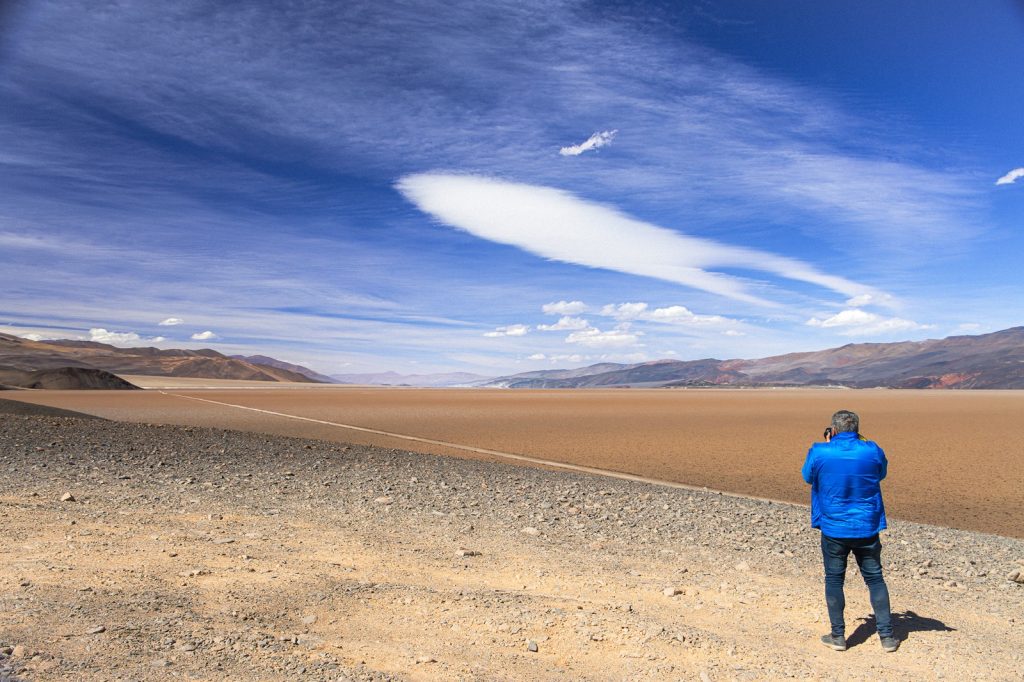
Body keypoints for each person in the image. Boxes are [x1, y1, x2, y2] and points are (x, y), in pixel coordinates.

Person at [801, 409, 898, 653]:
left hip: (834, 527)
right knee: (875, 579)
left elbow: (808, 476)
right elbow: (881, 472)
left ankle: (838, 636)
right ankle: (886, 637)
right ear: (857, 429)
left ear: (833, 430)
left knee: (834, 579)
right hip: (867, 526)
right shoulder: (872, 449)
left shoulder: (820, 450)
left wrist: (828, 444)